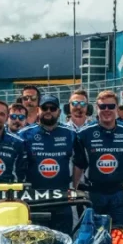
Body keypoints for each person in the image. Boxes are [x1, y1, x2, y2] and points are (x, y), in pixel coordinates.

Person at [72, 89, 123, 225]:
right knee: (93, 237)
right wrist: (74, 190)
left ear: (117, 109)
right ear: (97, 108)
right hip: (94, 193)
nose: (106, 110)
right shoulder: (84, 133)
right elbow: (79, 164)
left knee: (119, 236)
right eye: (102, 106)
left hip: (119, 193)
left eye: (111, 106)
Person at [18, 94, 75, 233]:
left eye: (53, 108)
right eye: (45, 107)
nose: (48, 111)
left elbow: (79, 163)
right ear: (38, 110)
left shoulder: (71, 134)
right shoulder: (24, 134)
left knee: (65, 242)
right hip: (35, 201)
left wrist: (74, 186)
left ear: (59, 112)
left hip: (62, 200)